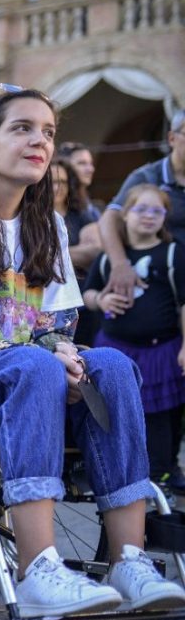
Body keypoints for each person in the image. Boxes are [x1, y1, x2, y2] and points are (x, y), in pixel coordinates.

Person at [0, 87, 185, 618]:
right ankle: (39, 569)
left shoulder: (44, 223)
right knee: (34, 363)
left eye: (47, 132)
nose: (39, 141)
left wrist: (65, 355)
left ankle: (128, 560)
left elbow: (59, 322)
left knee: (113, 365)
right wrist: (48, 354)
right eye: (21, 128)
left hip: (19, 367)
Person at [83, 184, 185, 496]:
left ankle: (163, 473)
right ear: (125, 214)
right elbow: (86, 293)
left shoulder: (173, 254)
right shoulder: (108, 259)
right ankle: (120, 472)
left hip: (161, 352)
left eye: (157, 210)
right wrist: (101, 300)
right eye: (141, 209)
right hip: (116, 349)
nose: (149, 216)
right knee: (117, 414)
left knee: (162, 418)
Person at [101, 109, 185, 301]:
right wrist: (120, 264)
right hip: (162, 282)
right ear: (172, 138)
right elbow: (109, 218)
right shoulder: (147, 176)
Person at [52, 158, 102, 344]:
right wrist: (75, 253)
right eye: (52, 182)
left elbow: (94, 251)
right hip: (46, 305)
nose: (58, 187)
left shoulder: (81, 214)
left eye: (63, 182)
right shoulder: (33, 216)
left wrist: (49, 256)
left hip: (81, 304)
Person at [58, 141, 102, 210]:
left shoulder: (89, 203)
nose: (90, 169)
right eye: (82, 163)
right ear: (65, 167)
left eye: (91, 163)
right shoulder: (61, 204)